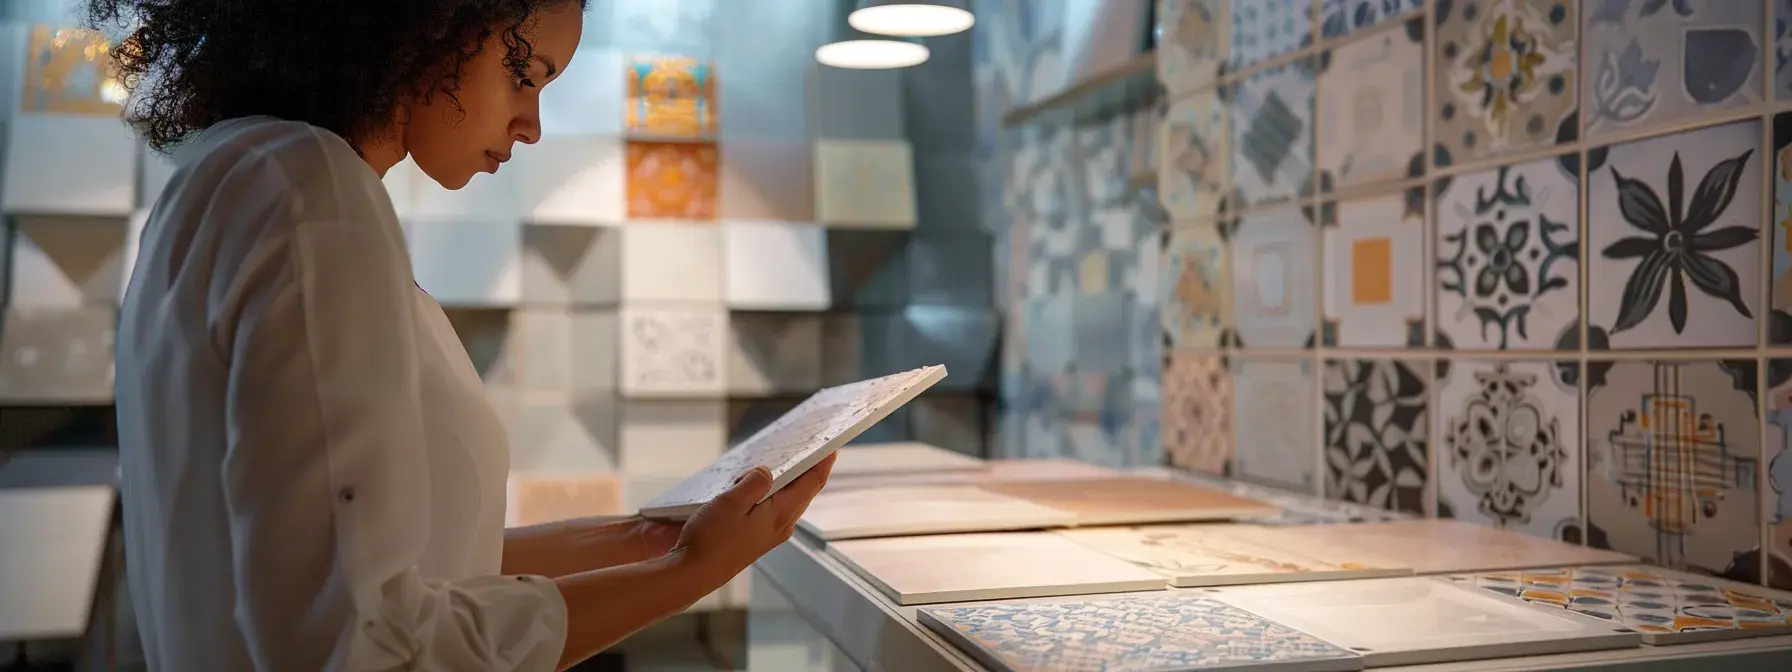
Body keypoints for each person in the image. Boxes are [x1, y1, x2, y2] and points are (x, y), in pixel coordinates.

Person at [93, 0, 836, 669]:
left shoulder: (234, 175)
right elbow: (356, 644)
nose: (531, 125)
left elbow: (408, 569)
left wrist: (650, 541)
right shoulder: (310, 190)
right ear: (428, 23)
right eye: (525, 74)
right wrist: (686, 576)